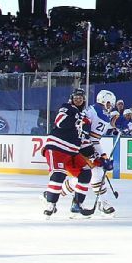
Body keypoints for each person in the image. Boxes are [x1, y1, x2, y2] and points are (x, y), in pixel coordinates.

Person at [42, 89, 97, 218]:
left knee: (85, 172)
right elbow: (60, 122)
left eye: (81, 98)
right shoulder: (66, 108)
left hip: (72, 152)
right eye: (76, 97)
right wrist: (78, 122)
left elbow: (83, 141)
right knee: (58, 175)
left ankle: (77, 204)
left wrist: (97, 157)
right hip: (57, 148)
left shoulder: (84, 118)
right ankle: (51, 204)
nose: (78, 100)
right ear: (71, 99)